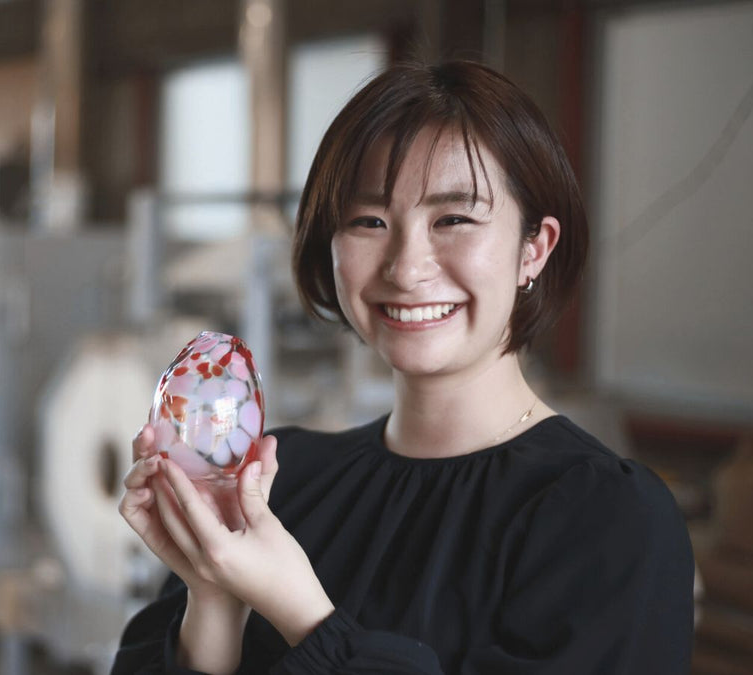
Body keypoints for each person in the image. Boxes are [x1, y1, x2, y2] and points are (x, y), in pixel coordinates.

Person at [113, 60, 694, 674]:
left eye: (454, 219)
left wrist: (301, 612)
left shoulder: (608, 517)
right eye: (370, 222)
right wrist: (213, 597)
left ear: (534, 249)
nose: (406, 267)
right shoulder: (284, 481)